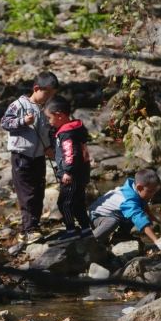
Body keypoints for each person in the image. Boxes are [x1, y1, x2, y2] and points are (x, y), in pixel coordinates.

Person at [0, 71, 59, 244]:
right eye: (46, 93)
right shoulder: (18, 105)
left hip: (39, 157)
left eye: (52, 95)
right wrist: (22, 122)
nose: (48, 97)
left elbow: (53, 131)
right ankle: (29, 230)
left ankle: (33, 226)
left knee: (38, 193)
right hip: (21, 157)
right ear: (36, 88)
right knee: (27, 194)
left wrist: (51, 148)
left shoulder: (47, 109)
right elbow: (5, 123)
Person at [43, 95, 93, 244]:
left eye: (49, 118)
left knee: (64, 203)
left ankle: (71, 230)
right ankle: (86, 230)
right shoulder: (75, 127)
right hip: (80, 173)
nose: (49, 122)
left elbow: (71, 153)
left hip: (73, 175)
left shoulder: (66, 133)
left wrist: (68, 171)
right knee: (78, 203)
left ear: (59, 115)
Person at [88, 169, 161, 244]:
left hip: (115, 213)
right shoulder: (128, 201)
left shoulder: (135, 190)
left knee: (137, 209)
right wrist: (155, 239)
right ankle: (90, 241)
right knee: (114, 221)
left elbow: (144, 202)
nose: (152, 194)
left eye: (154, 191)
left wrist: (150, 214)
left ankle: (121, 235)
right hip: (98, 215)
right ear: (139, 187)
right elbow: (139, 219)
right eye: (150, 191)